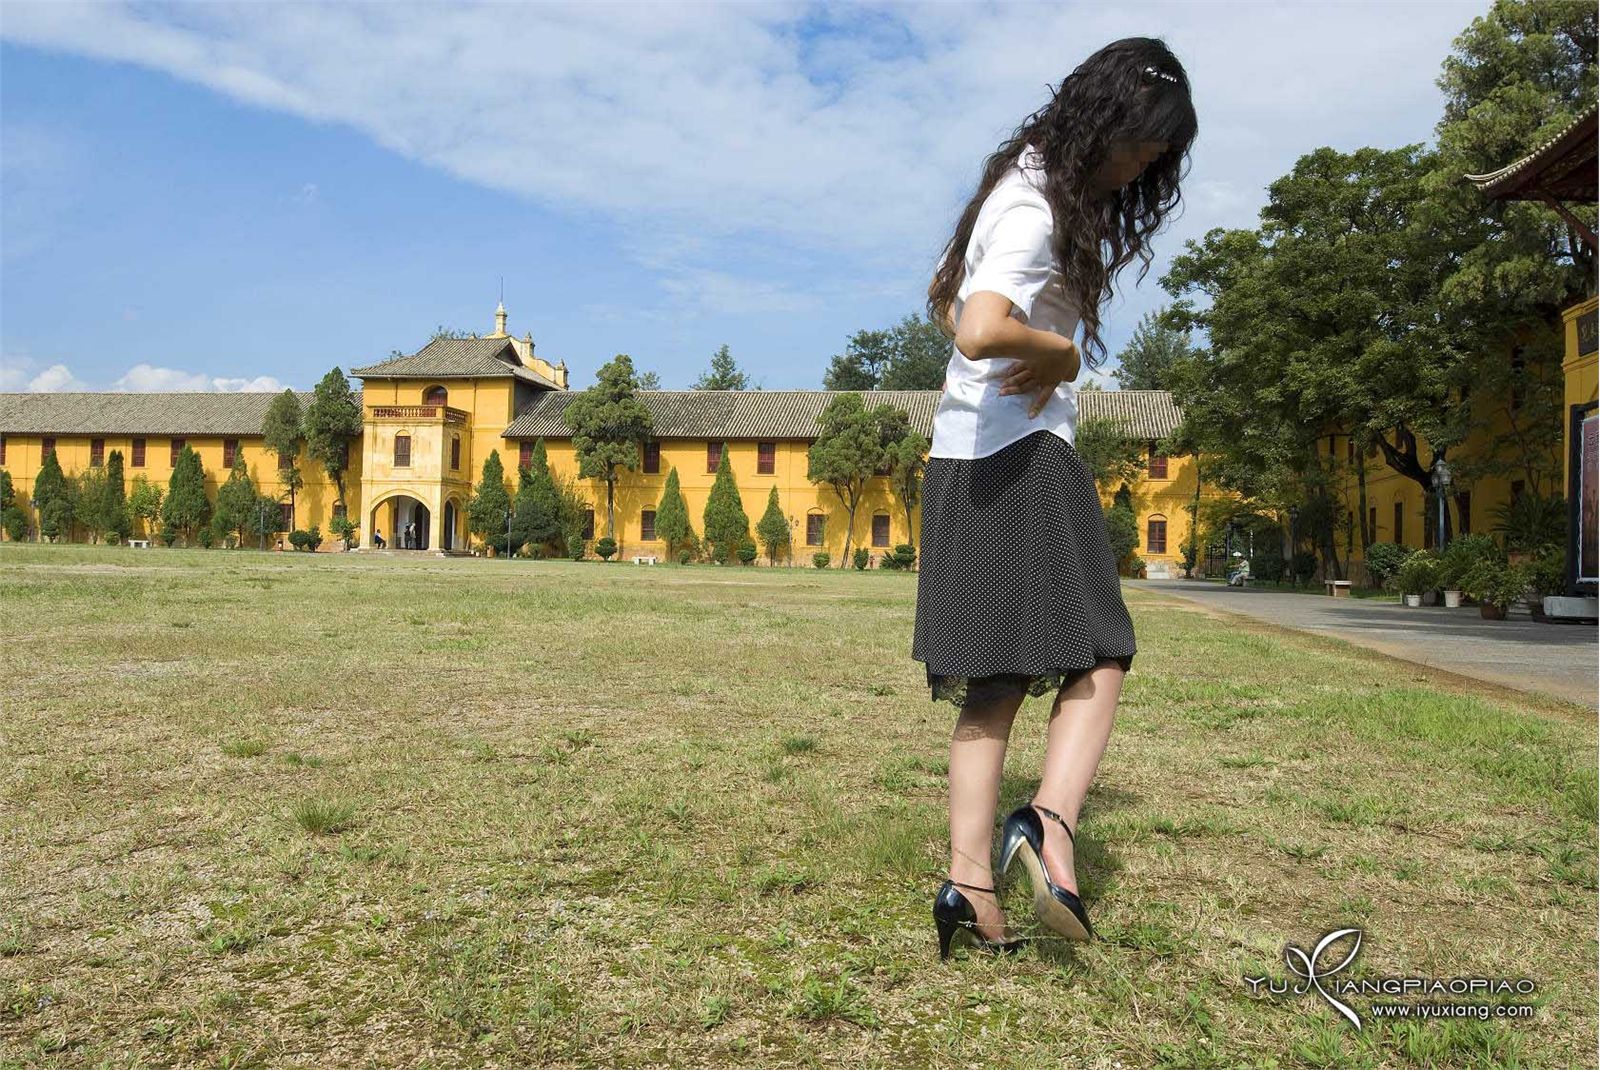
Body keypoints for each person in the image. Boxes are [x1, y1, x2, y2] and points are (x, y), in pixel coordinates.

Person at [913, 37, 1196, 960]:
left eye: (1159, 159)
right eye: (1142, 149)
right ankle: (1047, 826)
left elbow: (941, 295)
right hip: (1023, 455)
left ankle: (969, 890)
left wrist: (1028, 348)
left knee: (993, 684)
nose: (1144, 168)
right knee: (1102, 653)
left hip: (961, 459)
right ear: (1105, 123)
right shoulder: (1035, 205)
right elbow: (978, 328)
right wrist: (1063, 355)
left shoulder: (1020, 181)